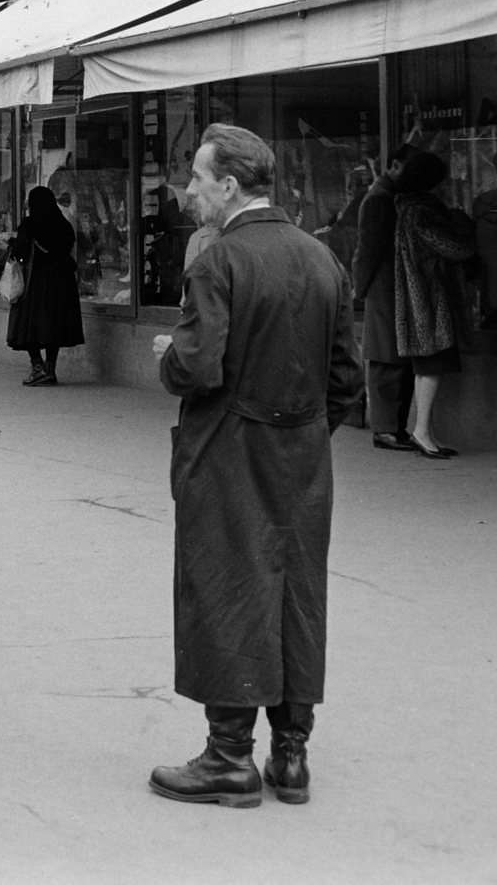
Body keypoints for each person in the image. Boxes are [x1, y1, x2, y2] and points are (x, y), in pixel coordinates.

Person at [149, 124, 361, 808]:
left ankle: (229, 755)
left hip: (230, 448)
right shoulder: (322, 259)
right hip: (303, 452)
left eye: (198, 179)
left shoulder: (218, 261)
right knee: (297, 591)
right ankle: (291, 755)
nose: (190, 191)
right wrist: (302, 426)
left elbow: (197, 364)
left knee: (226, 587)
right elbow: (346, 379)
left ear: (230, 185)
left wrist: (166, 354)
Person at [394, 150, 477, 460]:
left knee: (428, 366)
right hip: (430, 299)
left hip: (423, 298)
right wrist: (463, 225)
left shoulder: (410, 209)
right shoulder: (423, 212)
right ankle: (422, 432)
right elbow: (455, 248)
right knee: (432, 365)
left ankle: (424, 431)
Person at [352, 143, 418, 451]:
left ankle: (392, 427)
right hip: (383, 289)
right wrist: (360, 289)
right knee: (385, 358)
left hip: (389, 288)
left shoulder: (388, 196)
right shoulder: (379, 200)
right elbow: (367, 250)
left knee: (393, 357)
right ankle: (385, 429)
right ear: (394, 165)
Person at [4, 185, 85, 386]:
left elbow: (19, 252)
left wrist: (9, 244)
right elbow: (68, 248)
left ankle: (37, 368)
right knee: (53, 325)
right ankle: (50, 369)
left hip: (37, 281)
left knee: (28, 324)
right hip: (62, 282)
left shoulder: (31, 224)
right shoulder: (63, 224)